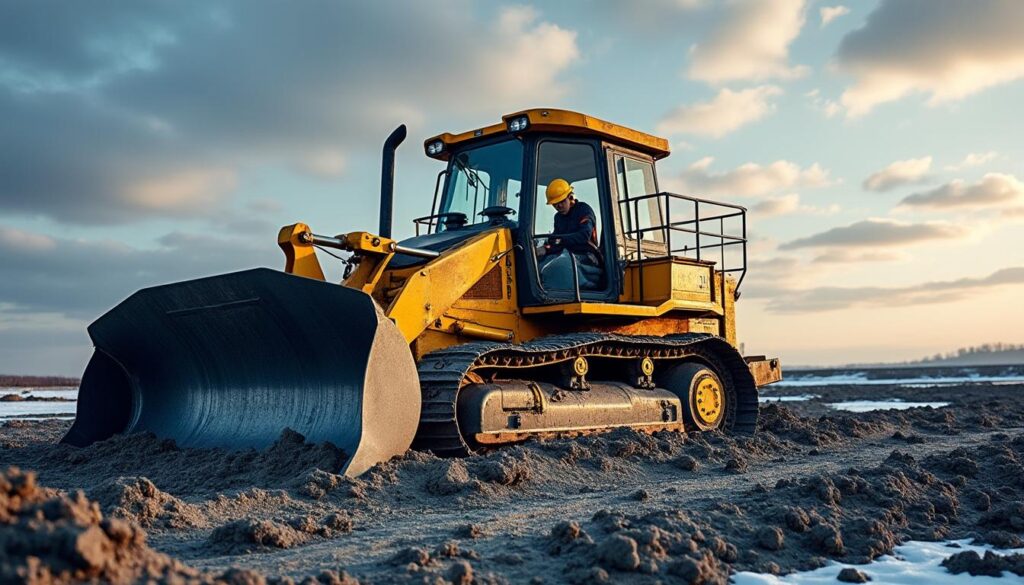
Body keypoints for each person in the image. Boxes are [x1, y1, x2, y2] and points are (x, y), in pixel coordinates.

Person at [537, 178, 603, 288]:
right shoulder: (558, 218)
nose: (559, 207)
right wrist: (545, 248)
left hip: (586, 254)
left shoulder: (583, 210)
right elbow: (555, 241)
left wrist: (559, 240)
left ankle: (586, 286)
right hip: (566, 252)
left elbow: (584, 236)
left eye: (562, 202)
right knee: (539, 265)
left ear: (570, 197)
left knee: (561, 265)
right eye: (555, 204)